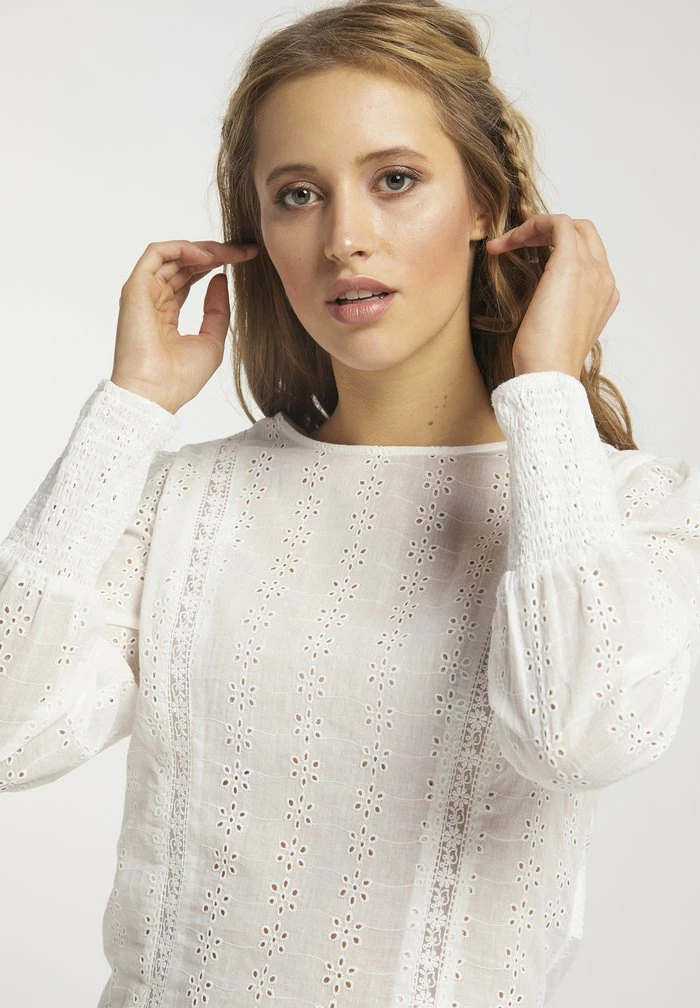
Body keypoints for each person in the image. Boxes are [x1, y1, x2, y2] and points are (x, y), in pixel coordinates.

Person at [1, 1, 698, 1005]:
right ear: (259, 234)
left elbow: (575, 737)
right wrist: (129, 410)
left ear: (484, 202)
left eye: (395, 180)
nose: (344, 239)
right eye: (297, 195)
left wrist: (545, 392)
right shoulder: (185, 502)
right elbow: (10, 737)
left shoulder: (624, 508)